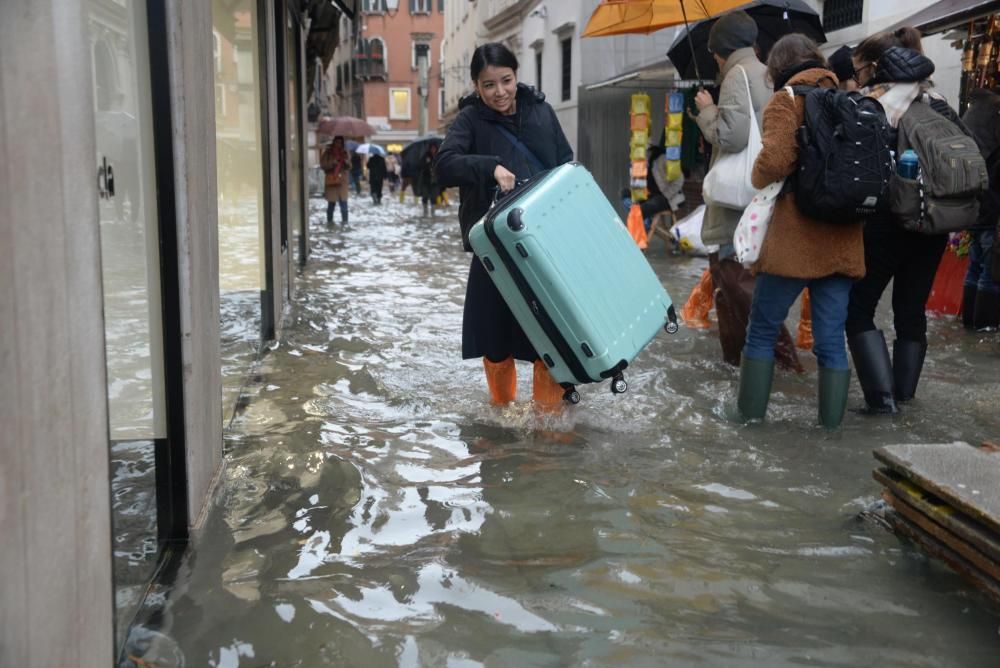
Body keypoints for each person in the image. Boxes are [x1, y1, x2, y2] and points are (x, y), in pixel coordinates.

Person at [435, 42, 573, 410]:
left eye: (506, 81)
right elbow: (444, 166)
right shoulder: (469, 121)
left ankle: (550, 423)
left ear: (517, 74)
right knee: (495, 339)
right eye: (488, 85)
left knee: (552, 336)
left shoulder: (542, 112)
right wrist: (489, 166)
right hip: (493, 248)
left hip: (543, 245)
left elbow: (566, 164)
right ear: (476, 87)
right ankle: (501, 416)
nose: (499, 92)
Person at [737, 34, 865, 429]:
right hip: (844, 238)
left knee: (761, 331)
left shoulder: (788, 100)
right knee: (830, 340)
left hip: (795, 239)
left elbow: (774, 162)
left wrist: (754, 174)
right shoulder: (850, 99)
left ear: (776, 68)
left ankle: (749, 420)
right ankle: (830, 430)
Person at [845, 27, 965, 412]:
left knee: (858, 309)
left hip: (886, 223)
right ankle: (904, 398)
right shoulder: (939, 100)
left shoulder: (876, 103)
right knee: (911, 312)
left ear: (877, 67)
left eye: (860, 69)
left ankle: (881, 404)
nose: (858, 77)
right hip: (933, 223)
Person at [693, 10, 803, 373]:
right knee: (733, 287)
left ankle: (780, 365)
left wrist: (707, 112)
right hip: (764, 197)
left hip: (737, 203)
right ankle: (742, 366)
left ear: (718, 51)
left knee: (736, 282)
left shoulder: (736, 76)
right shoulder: (767, 74)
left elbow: (732, 135)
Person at [960, 87, 1000, 330]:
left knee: (976, 265)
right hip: (992, 203)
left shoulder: (973, 113)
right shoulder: (995, 113)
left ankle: (970, 324)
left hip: (974, 202)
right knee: (992, 270)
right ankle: (985, 326)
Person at [320, 136, 351, 225]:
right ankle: (330, 222)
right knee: (331, 204)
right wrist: (332, 163)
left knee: (344, 204)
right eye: (337, 142)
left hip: (342, 181)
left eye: (340, 142)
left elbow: (350, 166)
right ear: (334, 142)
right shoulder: (328, 153)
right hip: (331, 180)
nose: (338, 144)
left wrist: (346, 162)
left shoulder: (345, 153)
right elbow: (323, 165)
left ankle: (345, 223)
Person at [416, 143, 443, 218]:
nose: (433, 150)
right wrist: (427, 163)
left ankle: (433, 212)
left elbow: (442, 166)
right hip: (426, 180)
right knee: (425, 196)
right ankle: (425, 211)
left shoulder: (439, 156)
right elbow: (420, 166)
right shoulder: (425, 156)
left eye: (434, 148)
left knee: (434, 196)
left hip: (435, 181)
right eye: (432, 148)